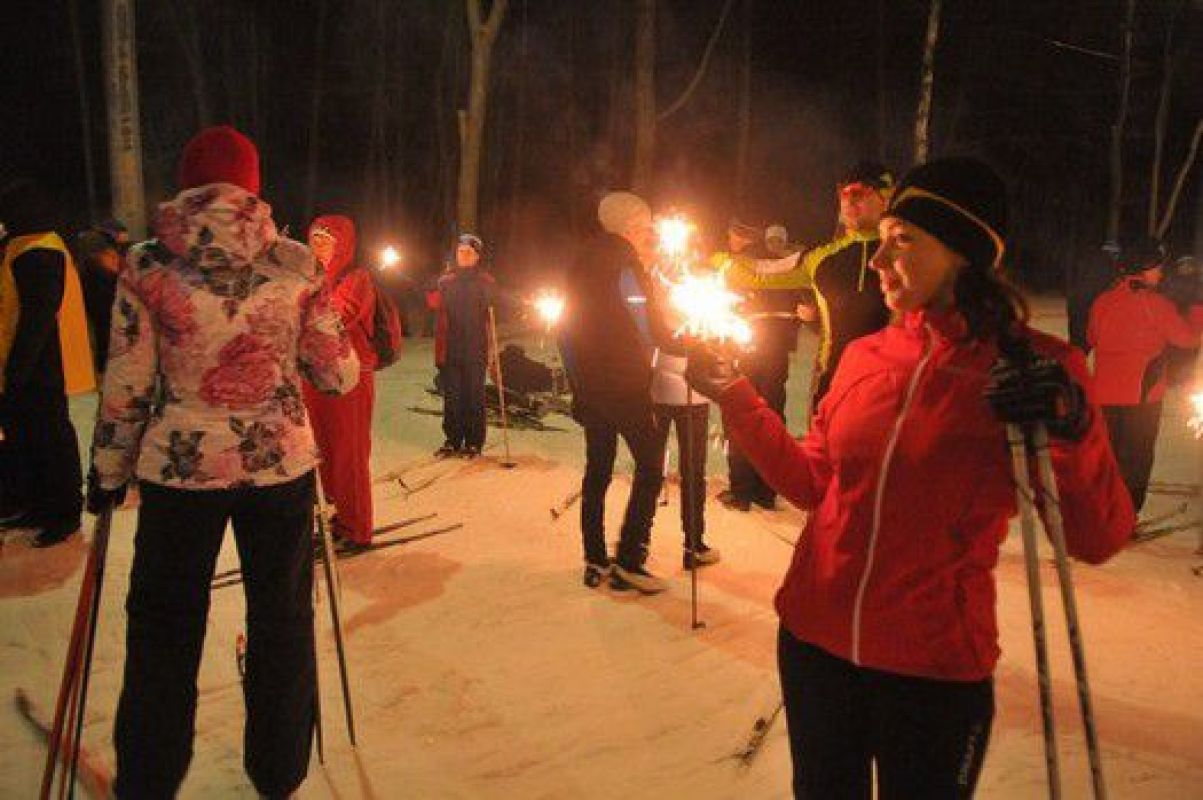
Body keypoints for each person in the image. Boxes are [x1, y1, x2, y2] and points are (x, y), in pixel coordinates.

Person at [685, 157, 1133, 798]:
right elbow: (812, 484)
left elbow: (1097, 536)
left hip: (932, 672)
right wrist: (737, 396)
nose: (877, 259)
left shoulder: (1031, 368)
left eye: (902, 241)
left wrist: (1070, 426)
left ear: (962, 252)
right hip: (816, 647)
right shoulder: (866, 355)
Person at [87, 126, 360, 798]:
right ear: (252, 187)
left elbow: (127, 380)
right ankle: (278, 770)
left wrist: (108, 470)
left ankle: (149, 778)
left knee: (163, 625)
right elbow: (335, 375)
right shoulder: (297, 263)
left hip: (181, 471)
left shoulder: (147, 264)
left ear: (187, 186)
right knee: (281, 619)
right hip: (278, 471)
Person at [561, 191, 672, 593]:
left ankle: (594, 558)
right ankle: (629, 559)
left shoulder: (579, 263)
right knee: (651, 465)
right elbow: (646, 325)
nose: (648, 234)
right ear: (630, 227)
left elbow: (565, 329)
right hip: (625, 385)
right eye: (645, 227)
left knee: (598, 470)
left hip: (590, 386)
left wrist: (577, 381)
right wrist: (682, 343)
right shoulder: (626, 264)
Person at [732, 161, 895, 414]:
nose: (849, 202)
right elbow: (761, 272)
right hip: (833, 389)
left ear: (886, 197)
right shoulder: (822, 258)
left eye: (860, 193)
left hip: (892, 393)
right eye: (843, 194)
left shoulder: (905, 254)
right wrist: (712, 263)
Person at [0, 176, 93, 545]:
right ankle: (39, 506)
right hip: (27, 367)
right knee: (31, 439)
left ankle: (64, 512)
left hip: (39, 369)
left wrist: (17, 370)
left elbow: (37, 317)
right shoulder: (26, 246)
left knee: (51, 440)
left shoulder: (37, 251)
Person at [1088, 237, 1203, 517]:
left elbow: (1092, 337)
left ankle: (1105, 515)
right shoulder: (1155, 304)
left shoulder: (1103, 300)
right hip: (1141, 396)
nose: (1161, 274)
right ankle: (1125, 517)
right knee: (1136, 460)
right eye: (1158, 268)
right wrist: (1197, 308)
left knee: (1110, 458)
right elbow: (1187, 338)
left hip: (1103, 395)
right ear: (1145, 267)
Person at [303, 214, 379, 553]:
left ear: (343, 244)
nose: (318, 244)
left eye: (327, 238)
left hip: (350, 377)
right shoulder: (306, 276)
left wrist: (299, 306)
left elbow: (338, 315)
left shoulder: (356, 278)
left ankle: (356, 525)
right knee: (322, 452)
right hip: (314, 375)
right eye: (314, 237)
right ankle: (336, 519)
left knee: (349, 452)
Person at [720, 220, 808, 511]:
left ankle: (743, 490)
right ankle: (767, 489)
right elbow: (806, 305)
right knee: (771, 415)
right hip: (775, 349)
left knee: (743, 412)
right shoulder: (793, 265)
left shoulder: (746, 263)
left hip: (752, 346)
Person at [430, 233, 496, 457]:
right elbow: (433, 303)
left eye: (469, 252)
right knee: (452, 397)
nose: (464, 255)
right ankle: (453, 439)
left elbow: (496, 307)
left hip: (475, 347)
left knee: (474, 397)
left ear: (477, 256)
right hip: (451, 347)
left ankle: (474, 441)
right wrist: (431, 290)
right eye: (460, 252)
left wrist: (494, 300)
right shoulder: (446, 281)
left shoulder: (485, 281)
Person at [74, 218, 130, 373]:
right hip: (102, 297)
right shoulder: (100, 247)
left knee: (101, 334)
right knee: (106, 333)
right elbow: (112, 268)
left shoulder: (88, 242)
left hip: (91, 297)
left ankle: (102, 368)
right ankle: (105, 368)